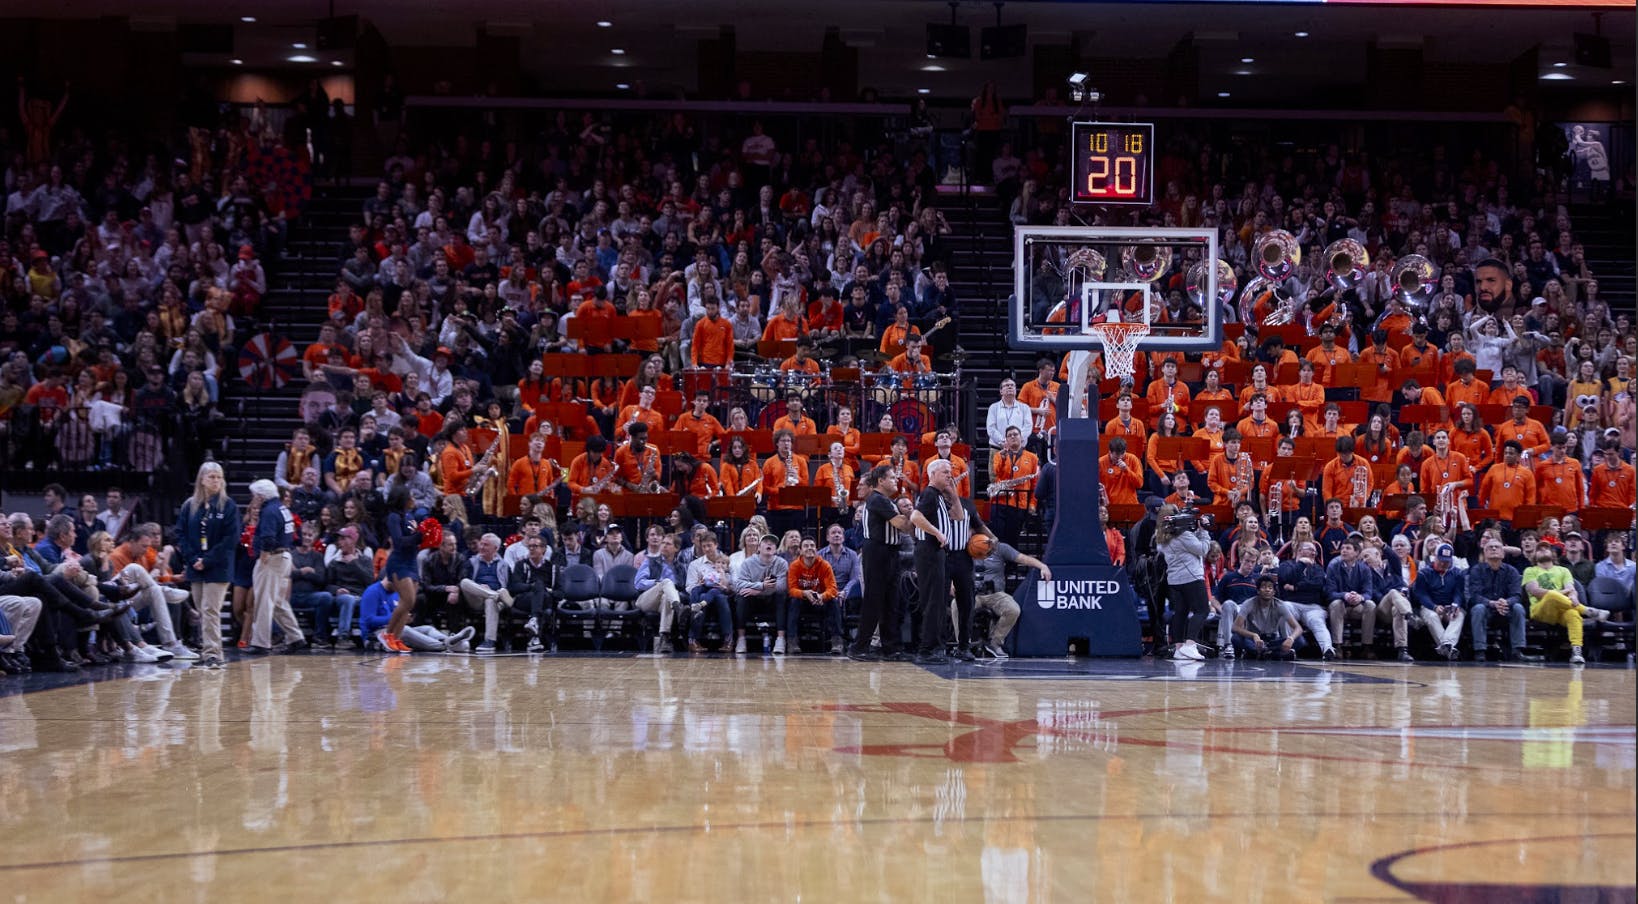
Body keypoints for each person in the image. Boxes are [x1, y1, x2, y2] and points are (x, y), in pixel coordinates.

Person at [908, 459, 979, 664]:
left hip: (938, 552)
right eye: (945, 472)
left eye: (951, 472)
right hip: (929, 550)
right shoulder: (929, 493)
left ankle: (936, 648)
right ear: (932, 475)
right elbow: (915, 516)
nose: (950, 475)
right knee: (933, 602)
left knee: (938, 602)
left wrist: (952, 491)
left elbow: (958, 516)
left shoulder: (939, 495)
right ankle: (927, 650)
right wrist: (937, 533)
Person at [173, 462, 238, 668]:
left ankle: (213, 653)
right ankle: (208, 650)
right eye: (211, 477)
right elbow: (180, 534)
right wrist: (193, 559)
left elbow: (231, 538)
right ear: (202, 479)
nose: (216, 480)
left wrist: (208, 559)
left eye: (219, 477)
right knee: (203, 610)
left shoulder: (228, 505)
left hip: (218, 566)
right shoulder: (190, 505)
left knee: (211, 609)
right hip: (195, 566)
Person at [848, 466, 913, 661]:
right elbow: (901, 525)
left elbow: (902, 525)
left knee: (890, 602)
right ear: (881, 481)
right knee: (874, 601)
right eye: (892, 478)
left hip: (890, 552)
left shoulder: (886, 501)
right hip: (877, 551)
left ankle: (890, 648)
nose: (895, 480)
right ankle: (859, 647)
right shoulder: (877, 499)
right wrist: (916, 516)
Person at [246, 480, 307, 653]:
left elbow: (268, 536)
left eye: (254, 496)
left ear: (261, 496)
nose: (253, 499)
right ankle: (296, 637)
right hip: (284, 556)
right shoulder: (282, 508)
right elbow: (295, 535)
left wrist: (265, 553)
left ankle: (261, 643)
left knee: (264, 600)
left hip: (272, 558)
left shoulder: (269, 511)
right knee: (278, 601)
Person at [1522, 545, 1609, 665]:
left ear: (1553, 554)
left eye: (1546, 548)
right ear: (1534, 555)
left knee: (1573, 613)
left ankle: (1577, 652)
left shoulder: (1563, 570)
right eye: (1539, 549)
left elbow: (1571, 590)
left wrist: (1573, 596)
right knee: (1551, 595)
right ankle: (1586, 610)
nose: (1543, 550)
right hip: (1539, 611)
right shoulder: (1530, 570)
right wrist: (1563, 592)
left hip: (1560, 611)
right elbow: (1535, 591)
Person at [971, 536, 1051, 659]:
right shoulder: (964, 548)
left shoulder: (1000, 548)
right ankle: (963, 644)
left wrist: (1042, 566)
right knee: (956, 605)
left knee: (1013, 609)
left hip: (996, 594)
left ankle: (995, 642)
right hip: (972, 593)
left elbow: (1023, 558)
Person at [1465, 537, 1540, 663]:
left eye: (1497, 547)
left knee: (1518, 608)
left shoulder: (1512, 571)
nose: (1494, 549)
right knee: (1478, 608)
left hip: (1506, 609)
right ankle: (1480, 651)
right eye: (1490, 547)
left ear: (1503, 554)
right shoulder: (1476, 570)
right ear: (1485, 553)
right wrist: (1492, 603)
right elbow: (1474, 596)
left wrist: (1506, 602)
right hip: (1486, 609)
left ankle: (1517, 651)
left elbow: (1517, 595)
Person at [1155, 504, 1212, 661]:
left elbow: (1190, 546)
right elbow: (1202, 549)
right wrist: (1204, 532)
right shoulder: (1183, 535)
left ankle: (1179, 648)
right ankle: (1190, 644)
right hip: (1191, 578)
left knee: (1181, 612)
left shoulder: (1161, 535)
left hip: (1175, 580)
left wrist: (1196, 531)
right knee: (1202, 610)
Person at [733, 534, 789, 655]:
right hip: (753, 601)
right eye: (766, 542)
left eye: (772, 543)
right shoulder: (748, 563)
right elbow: (739, 585)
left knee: (781, 596)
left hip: (772, 601)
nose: (769, 544)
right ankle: (741, 638)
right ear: (758, 547)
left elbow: (782, 586)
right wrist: (761, 585)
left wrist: (759, 589)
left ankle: (780, 639)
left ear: (775, 549)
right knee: (742, 595)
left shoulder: (781, 563)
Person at [787, 537, 843, 655]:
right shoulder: (794, 566)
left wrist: (822, 596)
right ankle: (792, 641)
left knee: (833, 601)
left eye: (812, 545)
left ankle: (837, 641)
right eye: (806, 546)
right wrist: (805, 593)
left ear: (816, 549)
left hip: (820, 601)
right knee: (794, 601)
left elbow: (833, 589)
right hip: (803, 601)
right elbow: (792, 590)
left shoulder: (824, 565)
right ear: (800, 551)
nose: (809, 548)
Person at [1413, 543, 1468, 661]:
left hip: (1449, 606)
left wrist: (1456, 604)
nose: (1443, 564)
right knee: (1432, 616)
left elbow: (1459, 593)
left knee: (1459, 615)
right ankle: (1448, 647)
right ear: (1435, 557)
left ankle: (1446, 645)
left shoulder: (1457, 573)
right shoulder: (1424, 573)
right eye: (1441, 560)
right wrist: (1434, 607)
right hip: (1430, 606)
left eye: (1446, 561)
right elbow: (1421, 595)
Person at [1230, 575, 1305, 660]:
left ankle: (1260, 653)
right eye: (1263, 587)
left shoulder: (1280, 605)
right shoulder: (1249, 603)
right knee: (1236, 638)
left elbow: (1298, 628)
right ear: (1258, 591)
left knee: (1300, 640)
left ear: (1274, 592)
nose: (1267, 590)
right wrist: (1253, 635)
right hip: (1253, 640)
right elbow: (1235, 627)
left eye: (1270, 587)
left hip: (1272, 641)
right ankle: (1274, 654)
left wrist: (1290, 639)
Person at [684, 532, 735, 653]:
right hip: (702, 592)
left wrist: (724, 584)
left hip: (721, 592)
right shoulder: (695, 564)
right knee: (699, 593)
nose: (707, 549)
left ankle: (728, 640)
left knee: (720, 597)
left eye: (709, 545)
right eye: (704, 546)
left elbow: (733, 584)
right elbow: (689, 587)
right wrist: (699, 583)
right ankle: (693, 640)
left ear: (716, 544)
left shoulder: (726, 561)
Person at [463, 533, 514, 654]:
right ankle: (493, 594)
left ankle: (489, 641)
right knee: (464, 582)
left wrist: (497, 593)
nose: (481, 547)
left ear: (495, 548)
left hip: (497, 602)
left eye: (486, 545)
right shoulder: (471, 562)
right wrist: (480, 587)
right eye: (481, 544)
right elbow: (466, 582)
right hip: (477, 598)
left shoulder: (504, 565)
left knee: (491, 600)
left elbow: (510, 586)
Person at [634, 530, 684, 654]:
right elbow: (638, 584)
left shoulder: (680, 568)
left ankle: (664, 639)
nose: (664, 546)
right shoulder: (650, 562)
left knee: (667, 597)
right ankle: (678, 608)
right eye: (663, 543)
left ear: (676, 548)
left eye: (668, 544)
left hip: (665, 601)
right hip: (646, 599)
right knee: (666, 582)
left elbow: (684, 588)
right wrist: (657, 583)